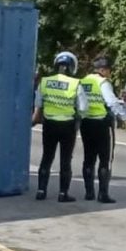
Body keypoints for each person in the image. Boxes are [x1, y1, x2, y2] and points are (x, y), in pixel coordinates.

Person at [33, 51, 89, 202]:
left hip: (49, 125)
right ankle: (63, 193)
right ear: (72, 67)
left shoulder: (44, 82)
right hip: (68, 126)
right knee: (65, 160)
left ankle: (41, 191)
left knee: (46, 157)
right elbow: (83, 108)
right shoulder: (75, 84)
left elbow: (38, 104)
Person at [79, 55, 126, 203]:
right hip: (102, 124)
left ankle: (89, 193)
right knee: (105, 160)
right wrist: (123, 117)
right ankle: (103, 194)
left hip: (86, 123)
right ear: (103, 70)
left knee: (88, 159)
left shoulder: (83, 81)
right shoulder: (103, 82)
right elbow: (111, 101)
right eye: (109, 70)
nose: (110, 73)